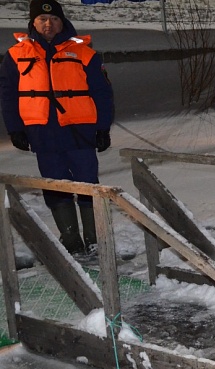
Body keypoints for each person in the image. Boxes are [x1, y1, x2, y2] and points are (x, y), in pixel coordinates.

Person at [0, 0, 114, 256]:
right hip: (42, 132)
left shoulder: (85, 53)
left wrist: (102, 127)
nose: (48, 24)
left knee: (88, 183)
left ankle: (95, 240)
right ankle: (71, 239)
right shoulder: (16, 55)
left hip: (80, 130)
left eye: (54, 20)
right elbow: (8, 95)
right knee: (55, 184)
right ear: (33, 23)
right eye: (42, 19)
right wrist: (15, 128)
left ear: (62, 22)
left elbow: (103, 92)